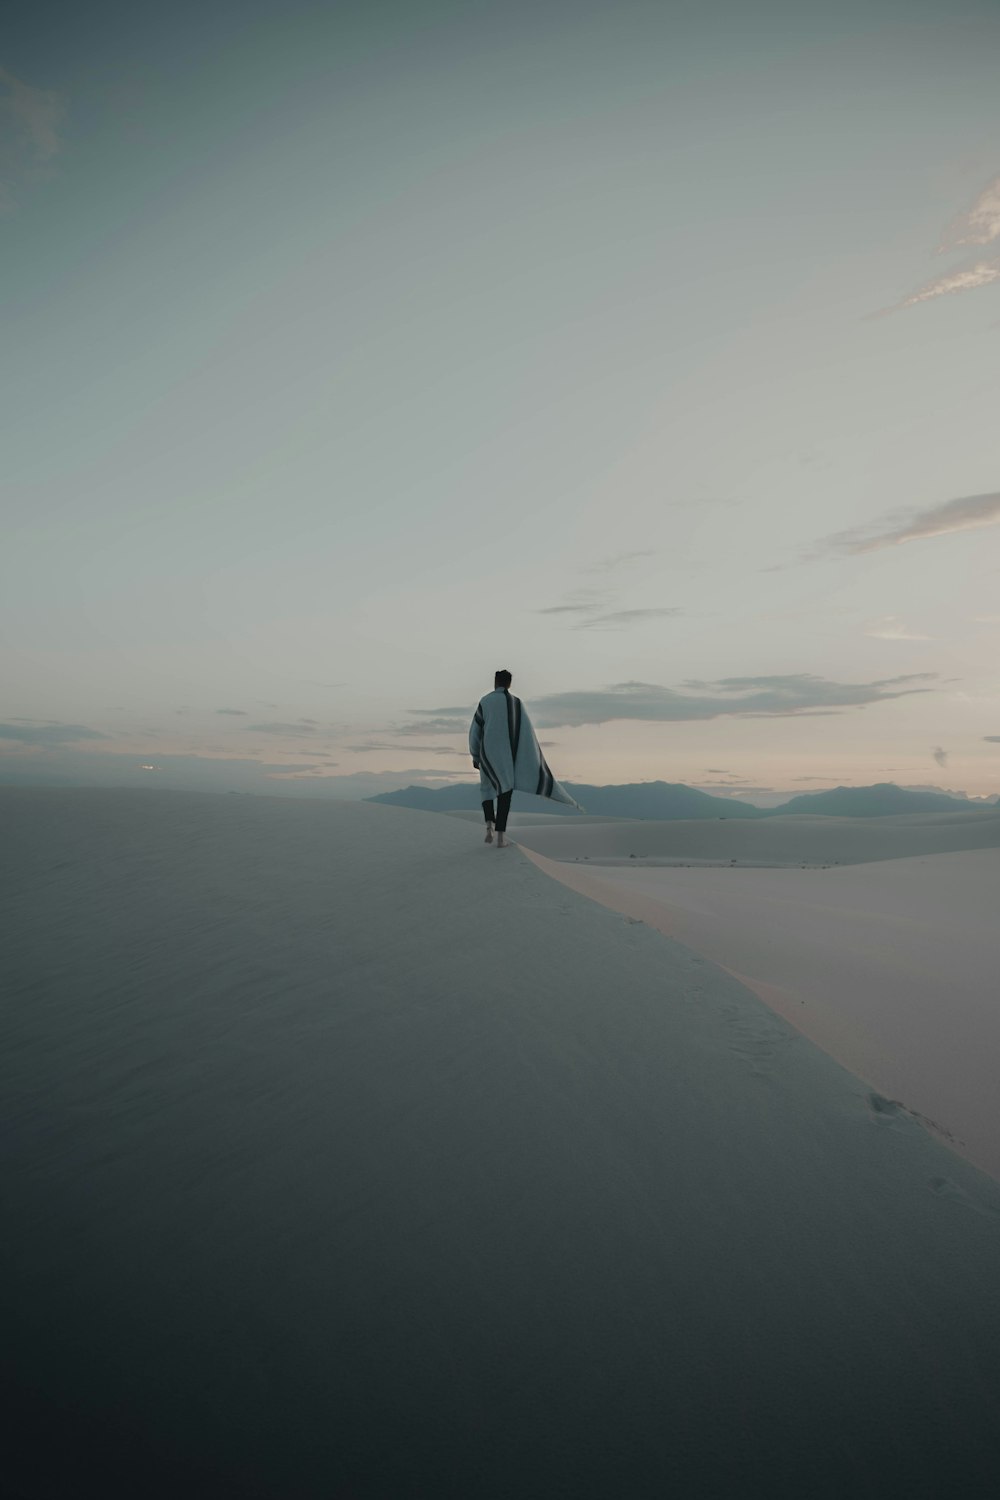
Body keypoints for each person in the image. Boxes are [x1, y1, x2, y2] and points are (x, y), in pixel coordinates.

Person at [469, 669, 584, 848]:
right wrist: (527, 758)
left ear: (495, 682)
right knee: (505, 791)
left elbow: (475, 731)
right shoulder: (516, 703)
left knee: (487, 789)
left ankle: (489, 826)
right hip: (507, 756)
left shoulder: (485, 701)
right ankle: (500, 837)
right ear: (509, 684)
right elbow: (526, 733)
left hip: (487, 753)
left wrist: (475, 754)